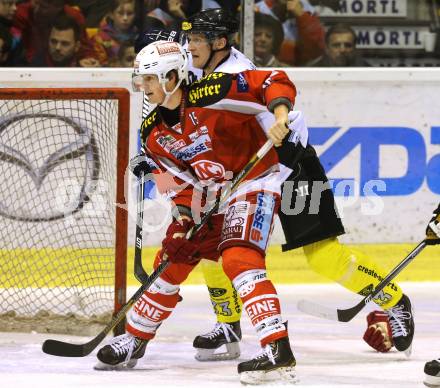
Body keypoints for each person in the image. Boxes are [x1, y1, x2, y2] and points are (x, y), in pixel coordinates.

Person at [95, 39, 302, 385]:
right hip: (209, 195)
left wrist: (280, 115)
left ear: (172, 76)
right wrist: (182, 217)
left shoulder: (214, 91)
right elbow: (173, 182)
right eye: (141, 80)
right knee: (172, 257)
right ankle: (135, 339)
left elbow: (272, 80)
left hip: (253, 182)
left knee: (238, 258)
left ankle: (277, 348)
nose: (142, 87)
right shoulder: (153, 134)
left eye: (149, 79)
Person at [12, 0, 99, 66]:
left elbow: (86, 49)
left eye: (45, 7)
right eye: (38, 4)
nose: (40, 10)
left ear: (61, 6)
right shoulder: (20, 13)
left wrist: (89, 60)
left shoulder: (74, 16)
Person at [255, 0, 325, 66]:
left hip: (299, 71)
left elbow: (316, 51)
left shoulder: (308, 11)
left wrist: (302, 16)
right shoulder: (257, 9)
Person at [92, 0, 138, 66]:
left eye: (129, 13)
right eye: (120, 13)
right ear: (111, 15)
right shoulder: (100, 39)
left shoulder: (140, 37)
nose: (125, 18)